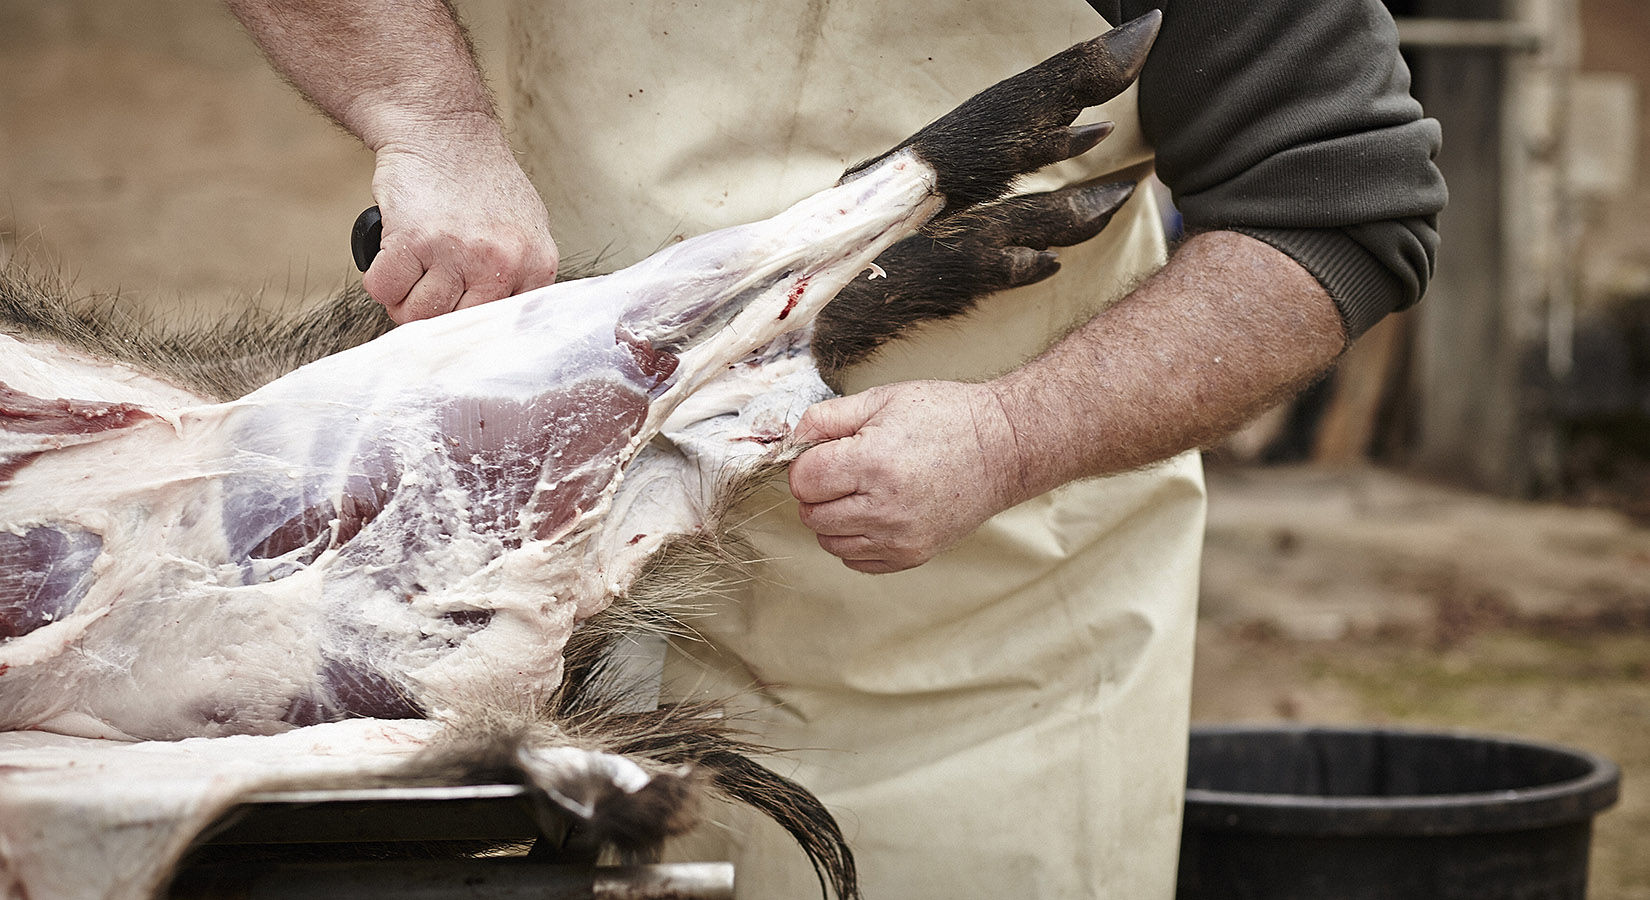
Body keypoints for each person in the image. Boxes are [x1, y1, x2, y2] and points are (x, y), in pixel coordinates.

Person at [227, 1, 1445, 896]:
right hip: (516, 619)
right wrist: (429, 119)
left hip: (965, 660)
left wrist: (1012, 432)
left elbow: (1336, 203)